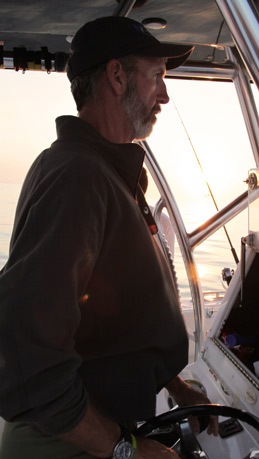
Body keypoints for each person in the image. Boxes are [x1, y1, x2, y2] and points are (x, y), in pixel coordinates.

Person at [0, 16, 218, 459]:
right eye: (156, 75)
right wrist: (126, 451)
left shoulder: (102, 171)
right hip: (63, 440)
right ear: (117, 76)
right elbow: (25, 350)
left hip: (94, 424)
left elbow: (114, 319)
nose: (165, 93)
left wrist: (175, 387)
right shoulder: (78, 177)